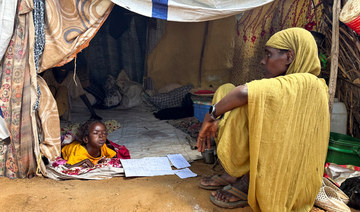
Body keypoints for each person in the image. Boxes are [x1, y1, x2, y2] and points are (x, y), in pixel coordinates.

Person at [197, 27, 330, 211]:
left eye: (268, 55)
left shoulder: (308, 83)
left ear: (290, 57)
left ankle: (249, 182)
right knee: (225, 91)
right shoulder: (290, 83)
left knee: (242, 103)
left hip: (284, 167)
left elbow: (244, 92)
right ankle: (235, 173)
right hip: (275, 151)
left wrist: (210, 115)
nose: (262, 61)